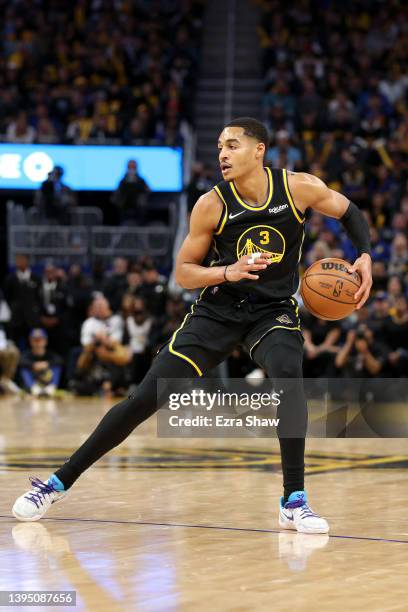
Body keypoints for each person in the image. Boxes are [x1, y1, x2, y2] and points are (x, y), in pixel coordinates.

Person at [12, 117, 372, 534]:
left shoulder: (298, 187)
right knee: (144, 400)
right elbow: (183, 273)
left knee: (289, 377)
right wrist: (227, 272)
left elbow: (349, 211)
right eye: (220, 146)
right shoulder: (211, 204)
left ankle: (294, 500)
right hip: (217, 311)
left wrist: (363, 253)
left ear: (260, 150)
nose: (223, 153)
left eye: (233, 145)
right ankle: (56, 484)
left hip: (271, 311)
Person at [19, 329, 63, 397]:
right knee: (24, 369)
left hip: (47, 380)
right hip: (34, 381)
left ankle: (51, 388)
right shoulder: (27, 355)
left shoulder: (50, 354)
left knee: (57, 367)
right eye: (35, 340)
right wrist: (33, 365)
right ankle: (33, 389)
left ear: (45, 341)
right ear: (30, 341)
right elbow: (21, 361)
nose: (38, 343)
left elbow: (60, 360)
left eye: (40, 340)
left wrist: (47, 364)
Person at [112, 160, 150, 225]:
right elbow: (117, 192)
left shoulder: (141, 180)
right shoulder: (123, 181)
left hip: (138, 207)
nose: (131, 169)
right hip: (124, 206)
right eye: (130, 167)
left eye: (133, 167)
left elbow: (148, 190)